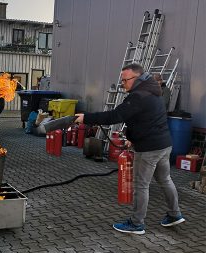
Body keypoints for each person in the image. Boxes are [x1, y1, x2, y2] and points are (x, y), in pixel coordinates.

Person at [75, 63, 185, 235]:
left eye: (125, 80)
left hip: (149, 149)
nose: (122, 84)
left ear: (136, 78)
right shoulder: (153, 92)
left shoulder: (138, 96)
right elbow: (145, 120)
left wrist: (86, 118)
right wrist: (131, 138)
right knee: (165, 179)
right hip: (164, 144)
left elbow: (114, 116)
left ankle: (136, 224)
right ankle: (174, 214)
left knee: (141, 185)